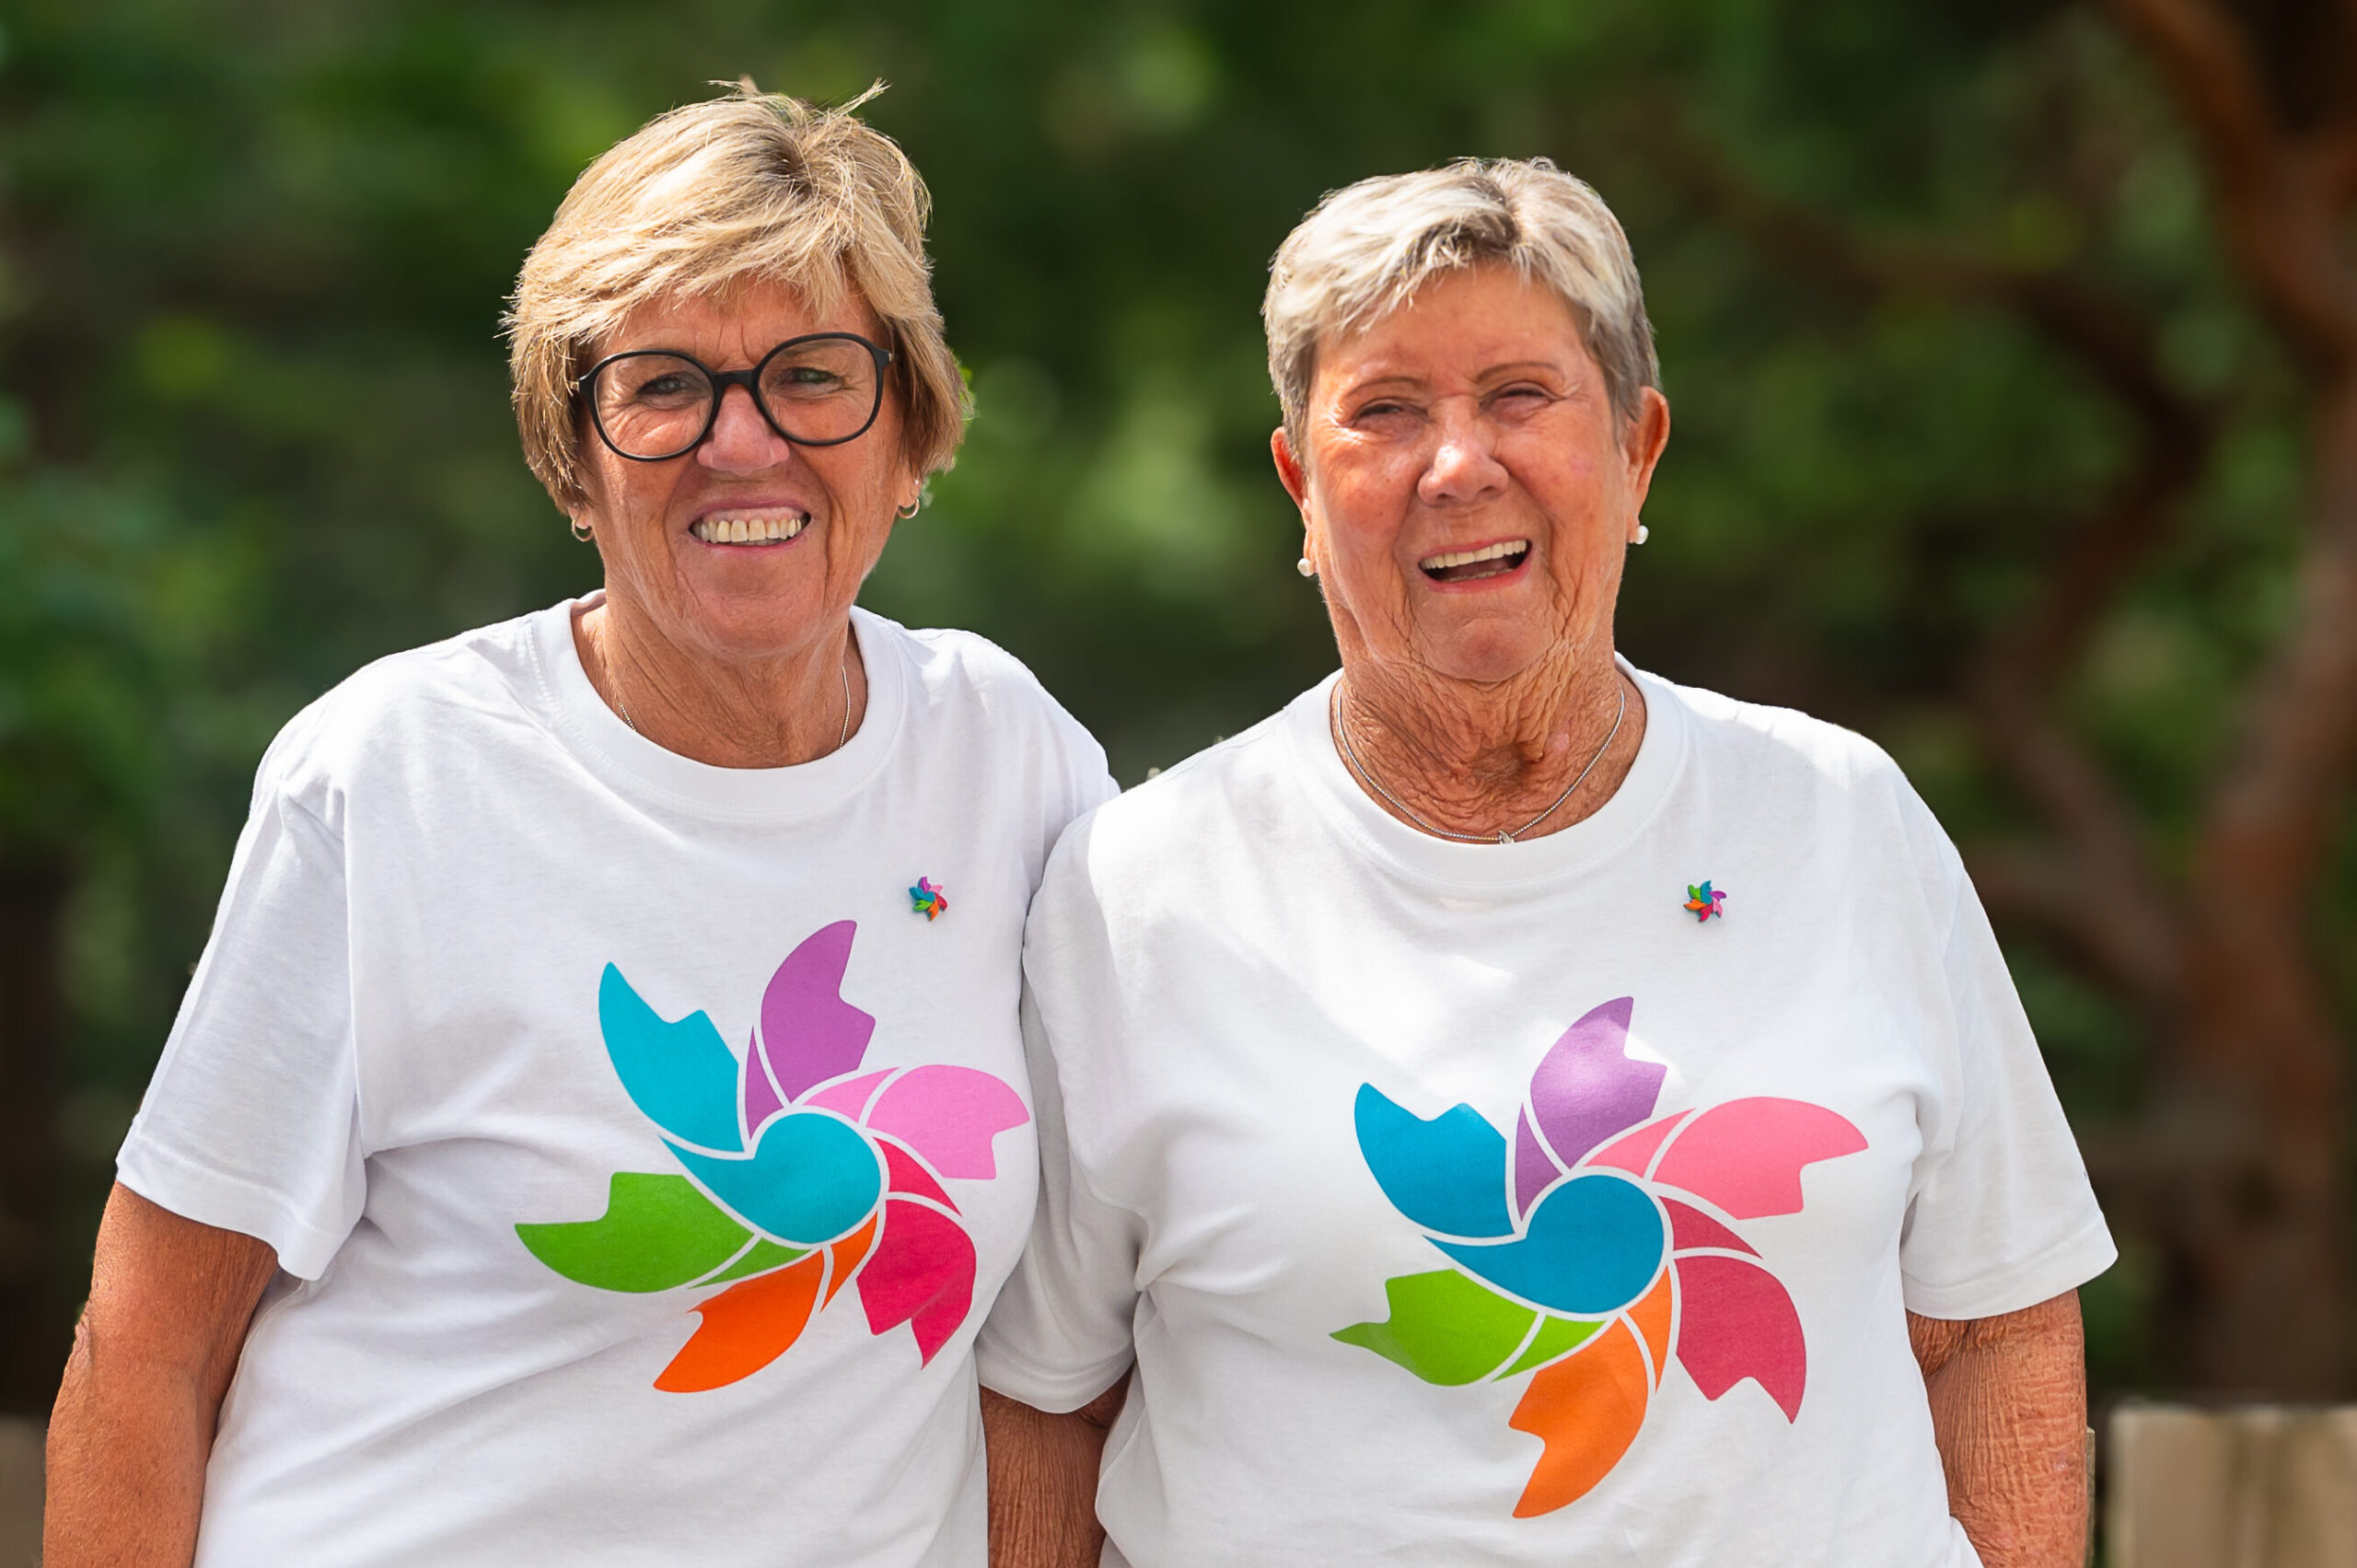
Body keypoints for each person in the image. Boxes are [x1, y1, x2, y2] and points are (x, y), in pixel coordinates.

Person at [980, 159, 2112, 1567]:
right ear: (1299, 485)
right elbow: (1043, 1403)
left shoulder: (1840, 820)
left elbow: (1994, 1321)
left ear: (1637, 449)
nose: (1459, 464)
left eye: (1521, 396)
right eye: (1386, 411)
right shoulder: (1138, 891)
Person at [45, 86, 1113, 1568]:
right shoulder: (395, 771)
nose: (743, 445)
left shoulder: (1011, 760)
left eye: (813, 375)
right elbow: (145, 1350)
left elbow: (1123, 1275)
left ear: (910, 422)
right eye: (663, 384)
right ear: (574, 446)